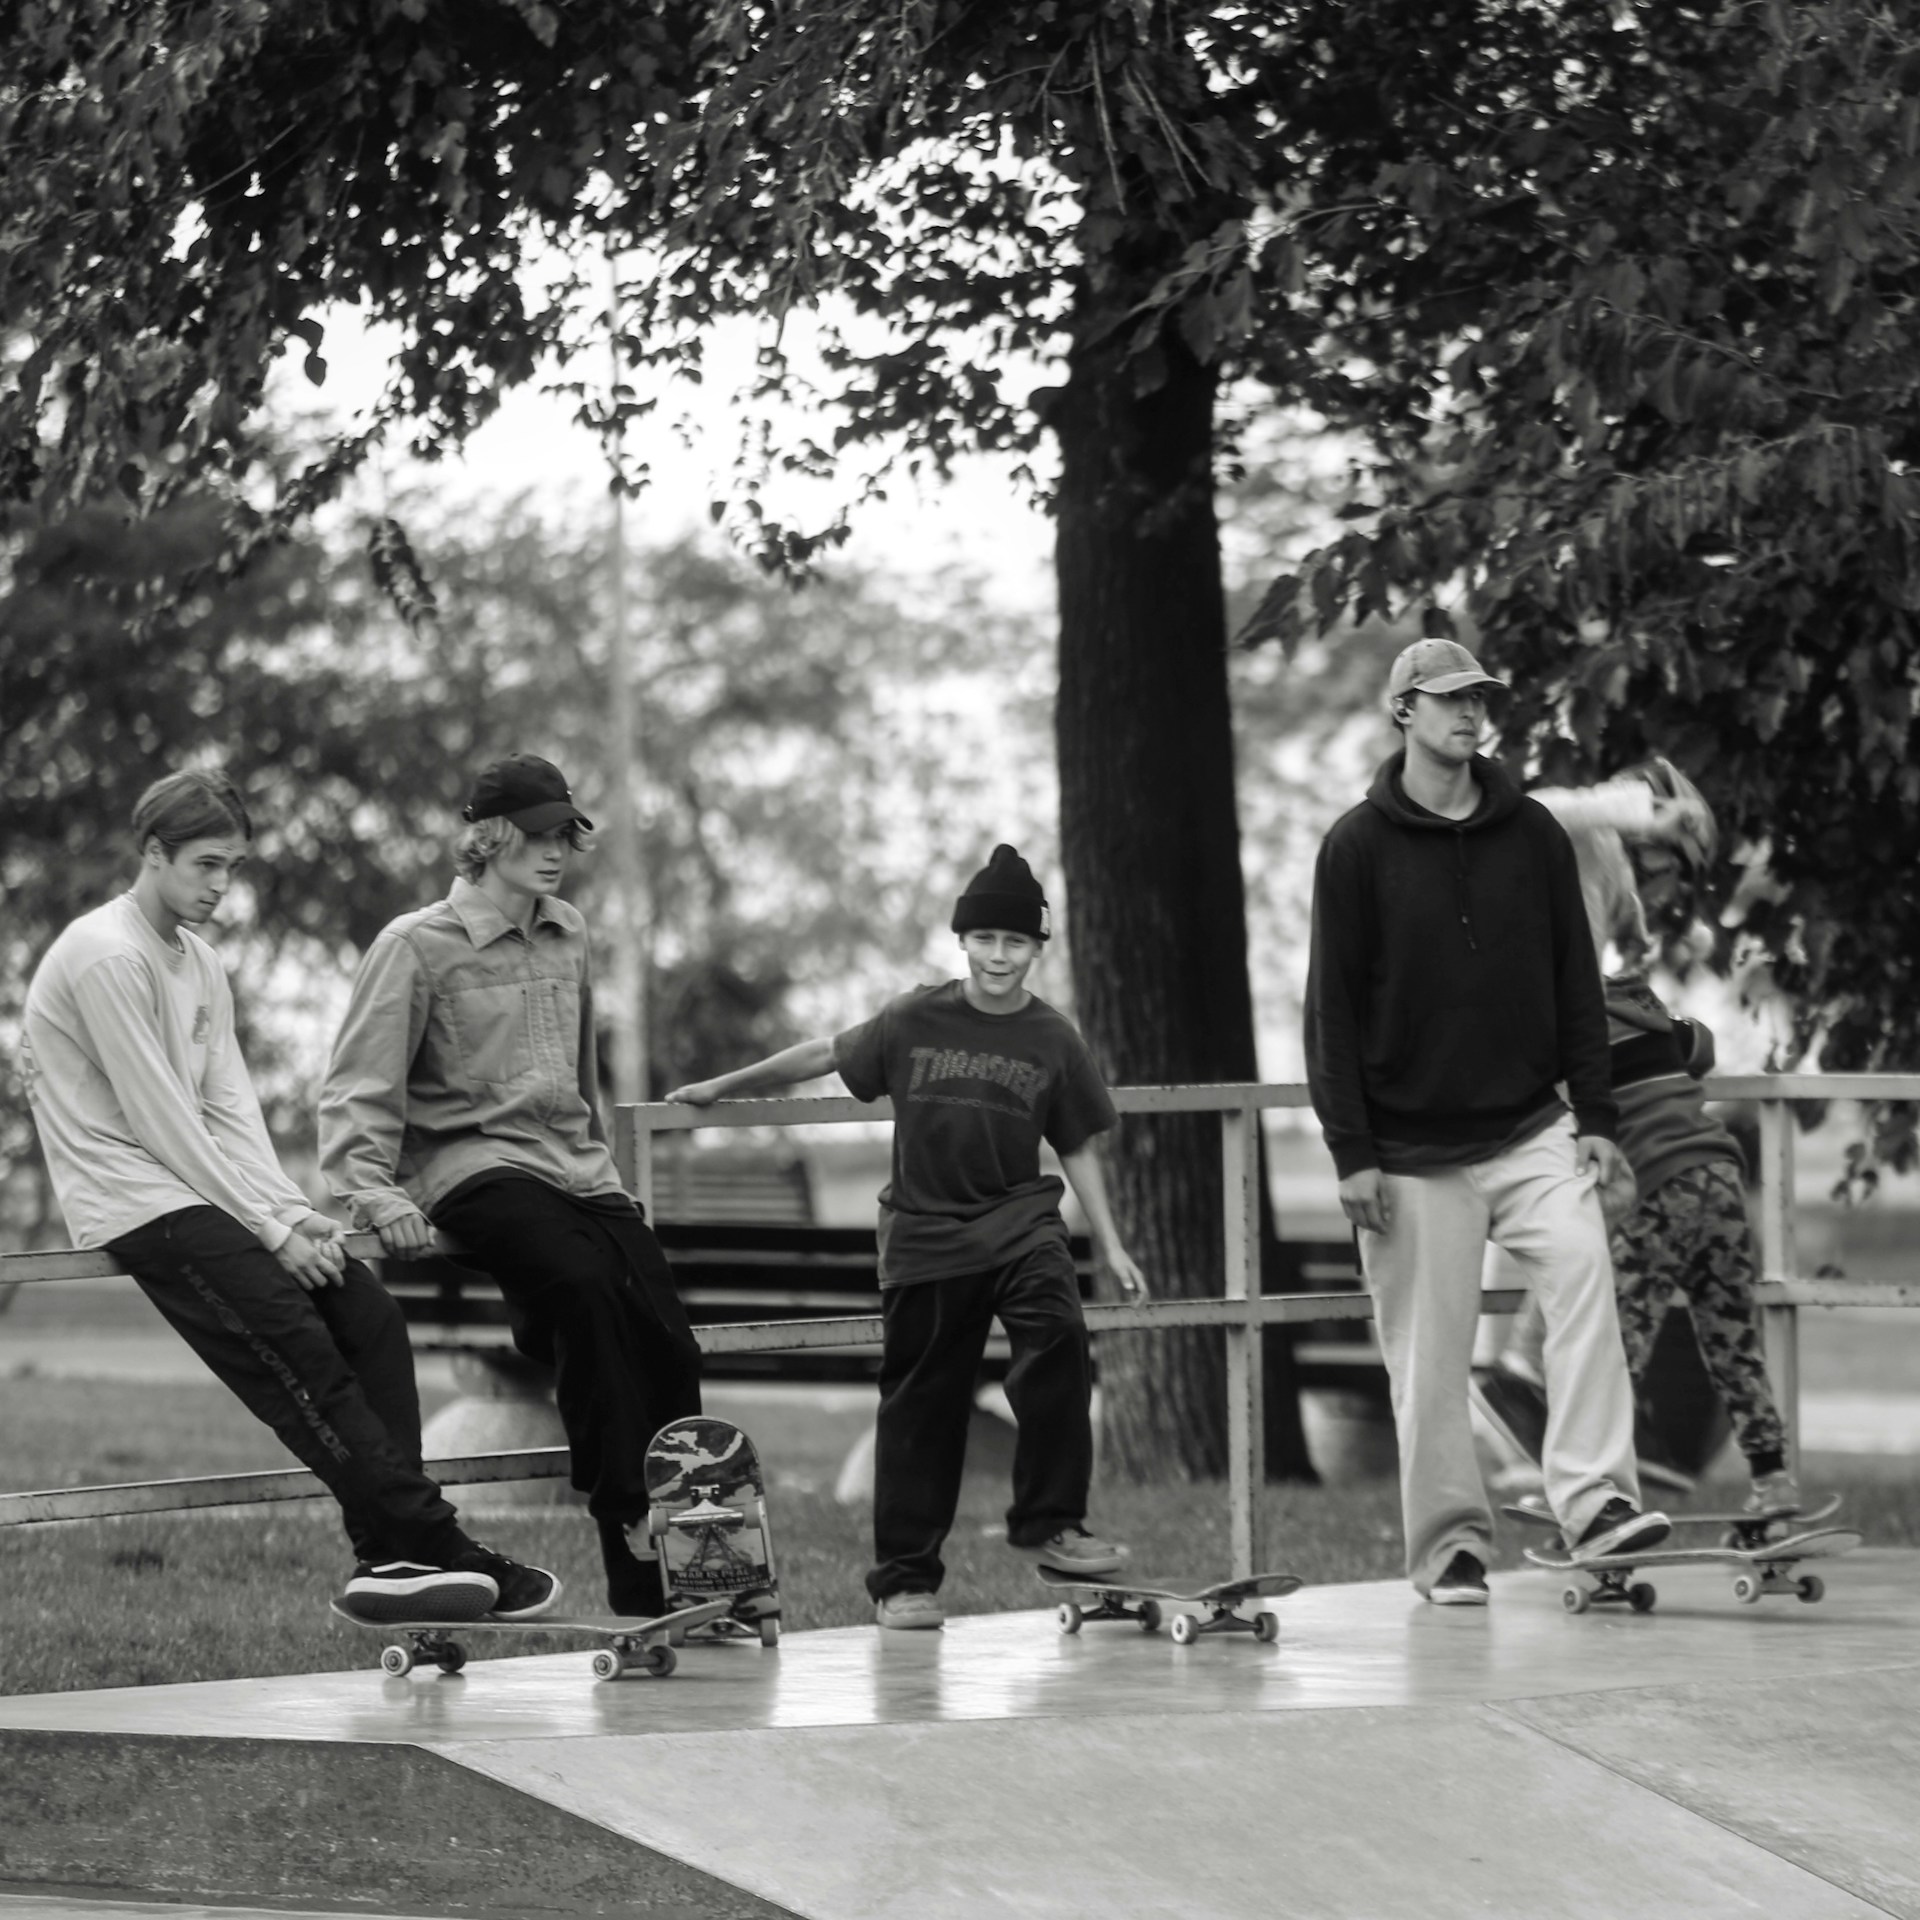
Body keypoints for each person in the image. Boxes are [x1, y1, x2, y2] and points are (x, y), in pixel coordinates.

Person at [20, 771, 556, 1623]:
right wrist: (271, 1230)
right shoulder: (105, 955)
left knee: (368, 1315)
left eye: (232, 867)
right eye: (204, 866)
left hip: (208, 1191)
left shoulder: (199, 960)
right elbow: (163, 1122)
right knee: (298, 1349)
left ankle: (390, 1559)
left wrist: (293, 1209)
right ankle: (434, 1543)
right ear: (152, 855)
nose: (221, 887)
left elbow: (228, 1105)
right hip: (137, 1198)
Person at [666, 845, 1145, 1630]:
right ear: (964, 942)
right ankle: (904, 1582)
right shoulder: (914, 1017)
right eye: (985, 940)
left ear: (1037, 949)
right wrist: (724, 1087)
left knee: (1057, 1338)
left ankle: (1050, 1524)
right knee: (924, 1405)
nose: (999, 956)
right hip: (927, 1238)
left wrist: (1114, 1243)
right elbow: (825, 1053)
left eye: (1016, 943)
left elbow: (1079, 1143)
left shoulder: (1053, 1037)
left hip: (1024, 1225)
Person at [1304, 638, 1669, 1605]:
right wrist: (1352, 1151)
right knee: (1429, 1361)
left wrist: (1594, 1114)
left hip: (1529, 1127)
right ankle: (1451, 1547)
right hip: (1409, 1150)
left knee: (1585, 1268)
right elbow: (1330, 1012)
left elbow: (1573, 983)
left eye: (1481, 700)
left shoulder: (1534, 834)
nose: (1470, 714)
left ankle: (1593, 1500)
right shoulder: (1354, 848)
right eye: (1450, 699)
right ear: (1404, 712)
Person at [319, 752, 705, 1619]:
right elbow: (357, 1090)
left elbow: (578, 1080)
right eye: (537, 834)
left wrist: (609, 1183)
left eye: (565, 833)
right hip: (473, 1165)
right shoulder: (414, 946)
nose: (555, 849)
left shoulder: (570, 934)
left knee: (667, 1337)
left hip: (575, 1170)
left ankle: (680, 1556)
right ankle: (629, 1520)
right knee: (583, 1289)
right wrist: (372, 1192)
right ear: (488, 839)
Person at [1475, 763, 1798, 1521]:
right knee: (1729, 1343)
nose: (1667, 896)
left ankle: (1582, 1474)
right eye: (1672, 874)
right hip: (1716, 1180)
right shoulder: (1581, 834)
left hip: (1650, 1180)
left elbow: (1619, 967)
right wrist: (1647, 815)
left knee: (1610, 1343)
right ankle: (1770, 1482)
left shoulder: (1615, 976)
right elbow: (1549, 809)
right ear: (1648, 848)